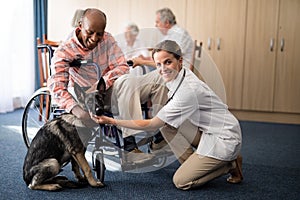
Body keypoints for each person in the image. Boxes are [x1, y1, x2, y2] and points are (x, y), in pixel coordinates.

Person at [92, 40, 243, 190]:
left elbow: (152, 124)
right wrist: (141, 61)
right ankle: (196, 165)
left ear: (180, 61)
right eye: (159, 64)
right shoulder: (183, 72)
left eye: (168, 62)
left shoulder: (187, 92)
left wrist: (112, 121)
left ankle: (229, 164)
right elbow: (163, 65)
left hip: (224, 138)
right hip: (209, 130)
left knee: (181, 182)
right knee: (168, 126)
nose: (163, 69)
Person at [47, 8, 153, 163]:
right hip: (84, 96)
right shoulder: (65, 50)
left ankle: (130, 148)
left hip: (105, 90)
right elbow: (57, 87)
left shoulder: (108, 40)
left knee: (128, 81)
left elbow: (122, 67)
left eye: (99, 33)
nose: (95, 38)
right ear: (80, 25)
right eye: (90, 32)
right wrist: (78, 110)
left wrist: (101, 83)